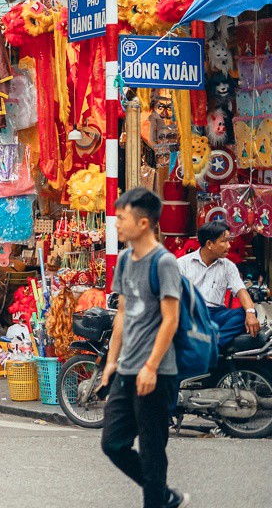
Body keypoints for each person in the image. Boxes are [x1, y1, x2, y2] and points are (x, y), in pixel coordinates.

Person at [100, 188, 187, 508]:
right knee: (112, 443)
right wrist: (111, 362)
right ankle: (162, 493)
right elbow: (122, 313)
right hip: (125, 370)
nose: (117, 224)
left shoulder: (164, 263)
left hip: (156, 373)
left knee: (152, 450)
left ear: (144, 223)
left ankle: (157, 497)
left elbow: (170, 320)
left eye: (122, 218)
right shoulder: (124, 260)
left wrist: (151, 366)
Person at [177, 221, 261, 348]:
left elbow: (241, 290)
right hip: (192, 314)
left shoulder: (228, 266)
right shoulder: (182, 264)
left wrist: (250, 312)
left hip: (217, 314)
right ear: (209, 244)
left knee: (247, 313)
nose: (228, 245)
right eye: (224, 241)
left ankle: (212, 345)